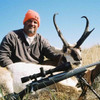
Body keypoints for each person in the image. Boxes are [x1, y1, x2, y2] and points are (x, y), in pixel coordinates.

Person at [0, 9, 67, 68]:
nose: (32, 24)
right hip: (16, 72)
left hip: (36, 73)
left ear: (38, 26)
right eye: (29, 21)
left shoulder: (42, 40)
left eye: (35, 22)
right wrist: (13, 70)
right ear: (24, 23)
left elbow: (52, 54)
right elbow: (2, 56)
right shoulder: (11, 36)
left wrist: (65, 55)